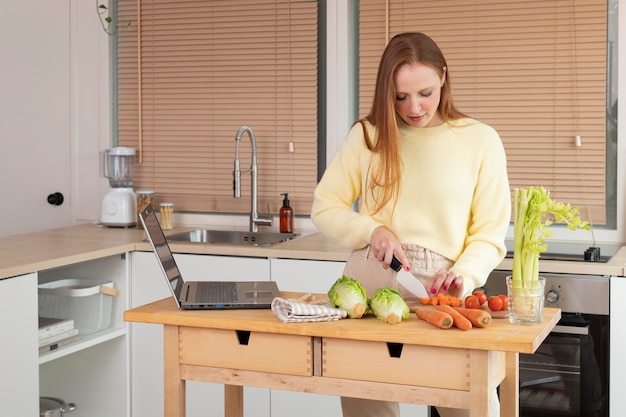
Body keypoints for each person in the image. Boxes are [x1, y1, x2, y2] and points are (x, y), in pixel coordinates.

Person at [311, 32, 511, 417]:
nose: (414, 107)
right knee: (370, 409)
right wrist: (372, 230)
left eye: (425, 93)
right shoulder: (367, 136)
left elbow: (489, 233)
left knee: (471, 405)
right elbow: (325, 206)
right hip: (367, 289)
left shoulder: (480, 140)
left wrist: (463, 276)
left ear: (444, 78)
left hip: (441, 292)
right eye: (400, 97)